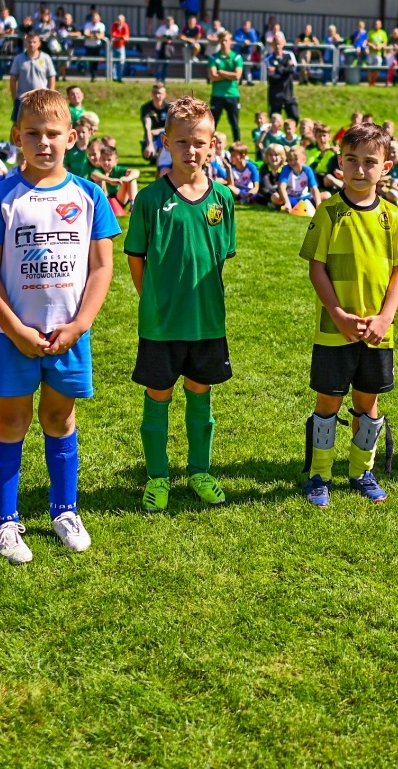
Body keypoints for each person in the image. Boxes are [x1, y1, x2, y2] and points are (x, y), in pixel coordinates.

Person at [0, 89, 118, 563]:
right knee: (12, 420)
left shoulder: (89, 196)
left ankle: (64, 510)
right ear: (16, 137)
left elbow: (101, 268)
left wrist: (79, 326)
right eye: (33, 133)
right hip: (15, 337)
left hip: (70, 334)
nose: (44, 142)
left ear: (72, 138)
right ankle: (4, 523)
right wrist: (14, 329)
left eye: (54, 134)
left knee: (59, 417)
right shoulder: (1, 197)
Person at [124, 96, 235, 513]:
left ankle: (200, 471)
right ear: (166, 142)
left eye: (200, 143)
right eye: (183, 142)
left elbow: (221, 256)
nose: (192, 151)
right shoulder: (151, 200)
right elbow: (137, 258)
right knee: (158, 394)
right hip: (161, 323)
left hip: (207, 320)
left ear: (212, 146)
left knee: (201, 395)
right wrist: (152, 297)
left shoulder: (222, 199)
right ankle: (157, 477)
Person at [300, 123, 398, 507]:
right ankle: (319, 474)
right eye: (352, 160)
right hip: (336, 330)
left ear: (386, 167)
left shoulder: (392, 216)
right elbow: (316, 268)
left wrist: (385, 319)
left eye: (370, 162)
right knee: (329, 401)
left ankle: (361, 471)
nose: (360, 169)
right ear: (340, 162)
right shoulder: (329, 212)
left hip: (378, 332)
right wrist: (338, 313)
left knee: (369, 403)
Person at [9, 30, 56, 123]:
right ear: (25, 42)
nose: (31, 44)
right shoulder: (19, 59)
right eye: (29, 42)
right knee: (17, 125)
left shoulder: (46, 58)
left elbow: (51, 78)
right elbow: (13, 79)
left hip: (42, 99)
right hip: (23, 99)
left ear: (39, 43)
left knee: (42, 124)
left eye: (34, 42)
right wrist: (15, 97)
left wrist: (51, 95)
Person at [207, 33, 244, 140]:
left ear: (231, 42)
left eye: (226, 40)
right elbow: (213, 76)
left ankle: (238, 144)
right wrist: (230, 75)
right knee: (212, 124)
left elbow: (237, 75)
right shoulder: (213, 57)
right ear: (219, 41)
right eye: (222, 40)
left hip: (232, 95)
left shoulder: (236, 57)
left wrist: (221, 72)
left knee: (235, 124)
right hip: (217, 95)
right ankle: (209, 145)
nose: (224, 43)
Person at [264, 40, 299, 121]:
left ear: (284, 43)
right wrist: (286, 67)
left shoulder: (289, 55)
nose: (277, 45)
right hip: (275, 93)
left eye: (279, 43)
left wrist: (277, 69)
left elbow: (293, 70)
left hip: (288, 93)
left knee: (295, 117)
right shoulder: (269, 58)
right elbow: (272, 74)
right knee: (275, 120)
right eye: (275, 43)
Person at [140, 82, 170, 161]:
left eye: (159, 93)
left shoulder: (169, 108)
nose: (157, 95)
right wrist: (149, 145)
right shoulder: (146, 108)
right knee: (149, 155)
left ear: (164, 95)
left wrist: (160, 130)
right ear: (152, 94)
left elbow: (174, 127)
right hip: (152, 137)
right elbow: (147, 128)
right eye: (155, 93)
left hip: (167, 137)